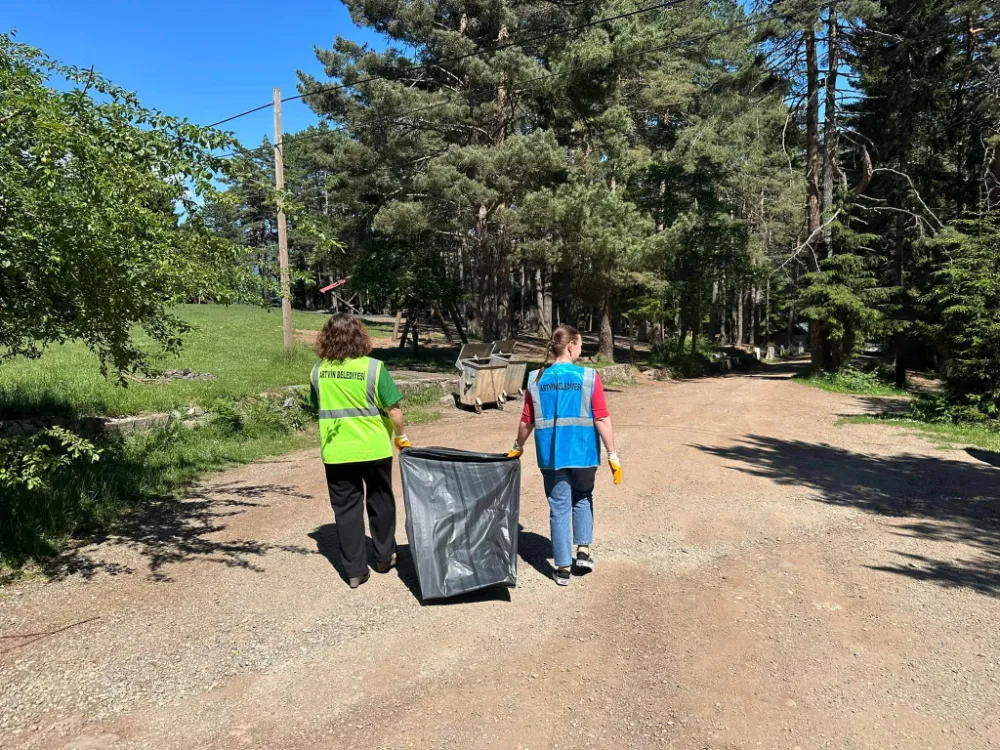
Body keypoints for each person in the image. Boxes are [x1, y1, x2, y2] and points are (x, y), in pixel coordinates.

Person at [508, 325, 622, 586]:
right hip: (583, 454)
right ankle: (583, 553)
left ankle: (562, 568)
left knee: (559, 507)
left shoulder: (537, 379)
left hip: (552, 456)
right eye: (580, 345)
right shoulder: (589, 377)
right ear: (570, 346)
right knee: (582, 497)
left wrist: (518, 445)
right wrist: (612, 454)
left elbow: (527, 420)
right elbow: (602, 417)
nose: (581, 350)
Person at [308, 313, 411, 589]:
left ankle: (355, 572)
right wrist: (401, 437)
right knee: (381, 501)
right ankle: (384, 556)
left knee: (346, 509)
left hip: (337, 453)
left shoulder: (318, 371)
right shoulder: (374, 369)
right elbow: (395, 410)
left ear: (326, 339)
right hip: (374, 449)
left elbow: (314, 404)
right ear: (360, 336)